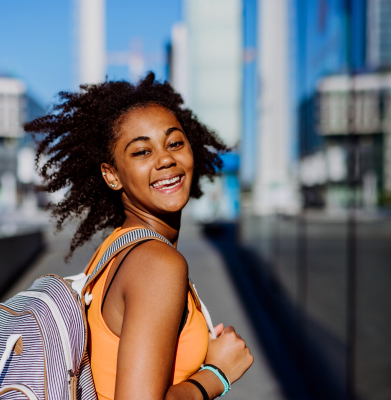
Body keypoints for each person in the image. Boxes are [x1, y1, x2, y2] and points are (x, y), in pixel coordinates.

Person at [24, 73, 254, 400]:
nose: (165, 159)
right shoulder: (156, 263)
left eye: (175, 143)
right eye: (142, 152)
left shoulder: (116, 249)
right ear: (112, 175)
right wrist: (216, 374)